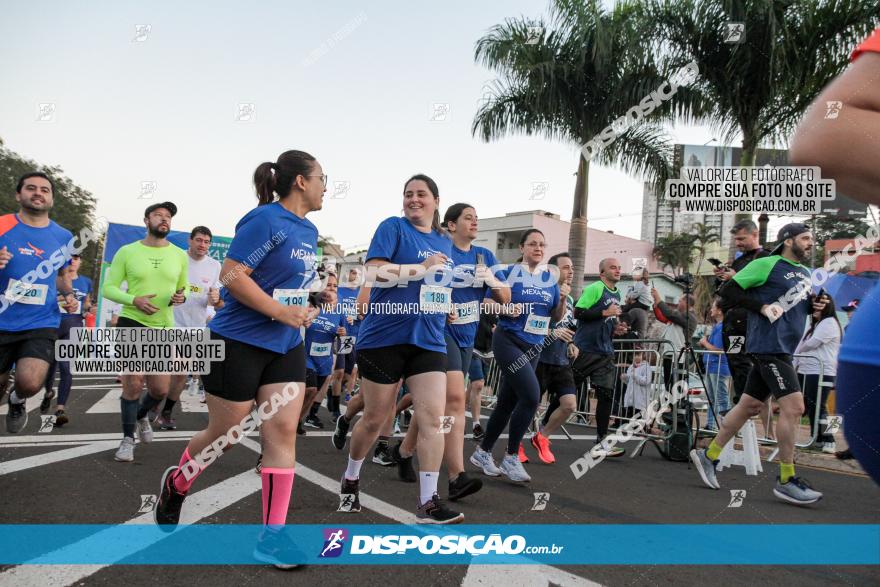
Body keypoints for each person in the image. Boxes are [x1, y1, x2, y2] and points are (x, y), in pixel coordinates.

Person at [153, 149, 324, 568]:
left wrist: (312, 298)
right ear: (300, 181)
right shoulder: (264, 219)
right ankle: (177, 483)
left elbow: (288, 284)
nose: (326, 187)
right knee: (226, 435)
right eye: (322, 177)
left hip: (286, 344)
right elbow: (231, 275)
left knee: (282, 432)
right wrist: (280, 310)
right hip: (238, 341)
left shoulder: (310, 230)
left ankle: (272, 536)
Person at [338, 174, 464, 524]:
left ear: (436, 201)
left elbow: (438, 283)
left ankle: (428, 501)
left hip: (428, 339)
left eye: (421, 194)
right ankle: (351, 477)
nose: (413, 199)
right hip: (384, 337)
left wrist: (445, 304)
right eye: (408, 194)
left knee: (432, 420)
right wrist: (418, 268)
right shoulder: (392, 227)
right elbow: (374, 273)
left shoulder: (444, 240)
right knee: (377, 418)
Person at [789, 28, 880, 481]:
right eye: (802, 239)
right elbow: (827, 134)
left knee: (779, 406)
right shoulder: (760, 268)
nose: (809, 245)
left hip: (851, 364)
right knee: (771, 404)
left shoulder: (813, 292)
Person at [691, 223, 825, 505]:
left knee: (749, 406)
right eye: (805, 238)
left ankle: (709, 455)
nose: (811, 243)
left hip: (784, 348)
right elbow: (728, 292)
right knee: (795, 407)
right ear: (789, 241)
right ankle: (787, 479)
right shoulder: (767, 263)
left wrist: (814, 307)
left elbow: (794, 309)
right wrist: (762, 307)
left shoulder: (805, 273)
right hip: (768, 347)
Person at [392, 203, 509, 500]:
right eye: (468, 218)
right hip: (439, 332)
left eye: (476, 218)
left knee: (436, 404)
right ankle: (457, 476)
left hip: (467, 336)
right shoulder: (440, 249)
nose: (474, 222)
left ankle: (405, 451)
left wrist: (491, 280)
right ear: (451, 224)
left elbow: (506, 297)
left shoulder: (485, 256)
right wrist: (441, 308)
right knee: (456, 398)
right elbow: (420, 288)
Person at [470, 228, 566, 482]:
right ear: (522, 248)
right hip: (508, 340)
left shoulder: (549, 280)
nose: (538, 248)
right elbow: (485, 302)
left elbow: (554, 317)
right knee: (532, 396)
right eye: (532, 244)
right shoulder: (509, 273)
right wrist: (504, 306)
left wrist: (564, 300)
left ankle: (483, 451)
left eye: (542, 245)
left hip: (534, 346)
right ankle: (512, 456)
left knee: (507, 402)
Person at [102, 202, 188, 462]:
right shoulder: (127, 252)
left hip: (162, 327)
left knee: (160, 389)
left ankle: (140, 417)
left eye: (168, 217)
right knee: (133, 383)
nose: (164, 219)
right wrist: (133, 300)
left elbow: (181, 290)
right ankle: (127, 440)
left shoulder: (179, 255)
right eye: (158, 215)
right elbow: (109, 288)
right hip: (132, 321)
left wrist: (179, 298)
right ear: (146, 220)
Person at [1, 172, 76, 433]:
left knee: (31, 382)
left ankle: (18, 398)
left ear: (51, 198)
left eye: (44, 190)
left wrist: (68, 294)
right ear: (18, 195)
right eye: (31, 188)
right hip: (2, 318)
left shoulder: (64, 236)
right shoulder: (2, 225)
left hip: (41, 320)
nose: (38, 193)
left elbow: (61, 276)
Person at [162, 226, 223, 430]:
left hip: (194, 327)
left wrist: (214, 303)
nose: (202, 245)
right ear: (190, 241)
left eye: (206, 242)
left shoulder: (215, 266)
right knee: (161, 374)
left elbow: (215, 298)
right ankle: (150, 405)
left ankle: (166, 411)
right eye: (198, 240)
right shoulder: (177, 258)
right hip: (169, 322)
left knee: (180, 373)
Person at [569, 258, 629, 457]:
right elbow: (578, 312)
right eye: (613, 267)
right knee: (567, 391)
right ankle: (542, 429)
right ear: (602, 272)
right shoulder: (595, 287)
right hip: (586, 350)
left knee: (606, 396)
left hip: (605, 352)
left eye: (619, 267)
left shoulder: (617, 293)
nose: (618, 270)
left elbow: (607, 320)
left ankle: (602, 441)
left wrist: (615, 328)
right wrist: (605, 312)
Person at [714, 220, 770, 405]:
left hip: (747, 321)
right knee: (736, 364)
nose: (738, 243)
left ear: (755, 235)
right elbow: (724, 290)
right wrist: (721, 277)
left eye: (741, 238)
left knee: (744, 363)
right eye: (736, 239)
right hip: (731, 322)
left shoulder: (764, 258)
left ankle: (748, 402)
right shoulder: (738, 260)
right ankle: (741, 402)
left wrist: (735, 276)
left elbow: (762, 287)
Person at [530, 252, 578, 465]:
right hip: (540, 358)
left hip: (561, 360)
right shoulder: (541, 292)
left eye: (572, 268)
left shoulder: (571, 298)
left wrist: (571, 343)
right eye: (566, 267)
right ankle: (514, 447)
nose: (571, 271)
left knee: (569, 405)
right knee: (529, 405)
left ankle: (542, 436)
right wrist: (552, 334)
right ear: (553, 271)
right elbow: (532, 324)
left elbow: (566, 326)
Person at [42, 254, 93, 427]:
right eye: (70, 257)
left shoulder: (86, 281)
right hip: (52, 324)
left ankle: (60, 409)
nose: (73, 260)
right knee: (49, 367)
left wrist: (87, 308)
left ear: (80, 261)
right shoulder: (55, 278)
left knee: (66, 367)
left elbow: (87, 302)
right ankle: (48, 392)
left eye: (77, 257)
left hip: (74, 325)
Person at [794, 292, 841, 453]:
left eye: (818, 304)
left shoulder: (829, 323)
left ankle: (830, 439)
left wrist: (801, 347)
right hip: (807, 370)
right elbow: (802, 345)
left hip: (822, 371)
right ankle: (818, 438)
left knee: (820, 405)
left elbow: (810, 344)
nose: (814, 308)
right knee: (811, 406)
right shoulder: (814, 324)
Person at [328, 267, 362, 422]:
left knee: (349, 374)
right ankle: (335, 409)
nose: (354, 275)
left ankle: (332, 391)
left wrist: (357, 316)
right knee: (339, 372)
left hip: (355, 335)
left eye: (358, 273)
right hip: (341, 334)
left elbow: (365, 312)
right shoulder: (340, 289)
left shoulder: (361, 292)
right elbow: (332, 305)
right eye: (352, 272)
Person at [651, 288, 698, 393]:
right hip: (670, 353)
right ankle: (670, 406)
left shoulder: (689, 316)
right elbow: (663, 317)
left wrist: (659, 299)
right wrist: (656, 303)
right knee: (668, 382)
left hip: (678, 354)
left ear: (687, 303)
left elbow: (669, 314)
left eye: (680, 300)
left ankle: (676, 406)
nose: (678, 302)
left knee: (676, 384)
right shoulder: (679, 316)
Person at [698, 298, 730, 431]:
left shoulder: (723, 327)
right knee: (711, 397)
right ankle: (711, 425)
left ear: (719, 311)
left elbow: (720, 350)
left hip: (718, 367)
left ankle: (727, 427)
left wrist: (705, 343)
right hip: (712, 366)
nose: (711, 309)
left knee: (721, 398)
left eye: (713, 307)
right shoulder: (717, 326)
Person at [467, 311, 497, 440]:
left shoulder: (503, 298)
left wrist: (500, 328)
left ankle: (455, 415)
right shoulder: (480, 293)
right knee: (478, 384)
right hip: (471, 346)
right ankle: (476, 425)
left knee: (473, 387)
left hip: (488, 350)